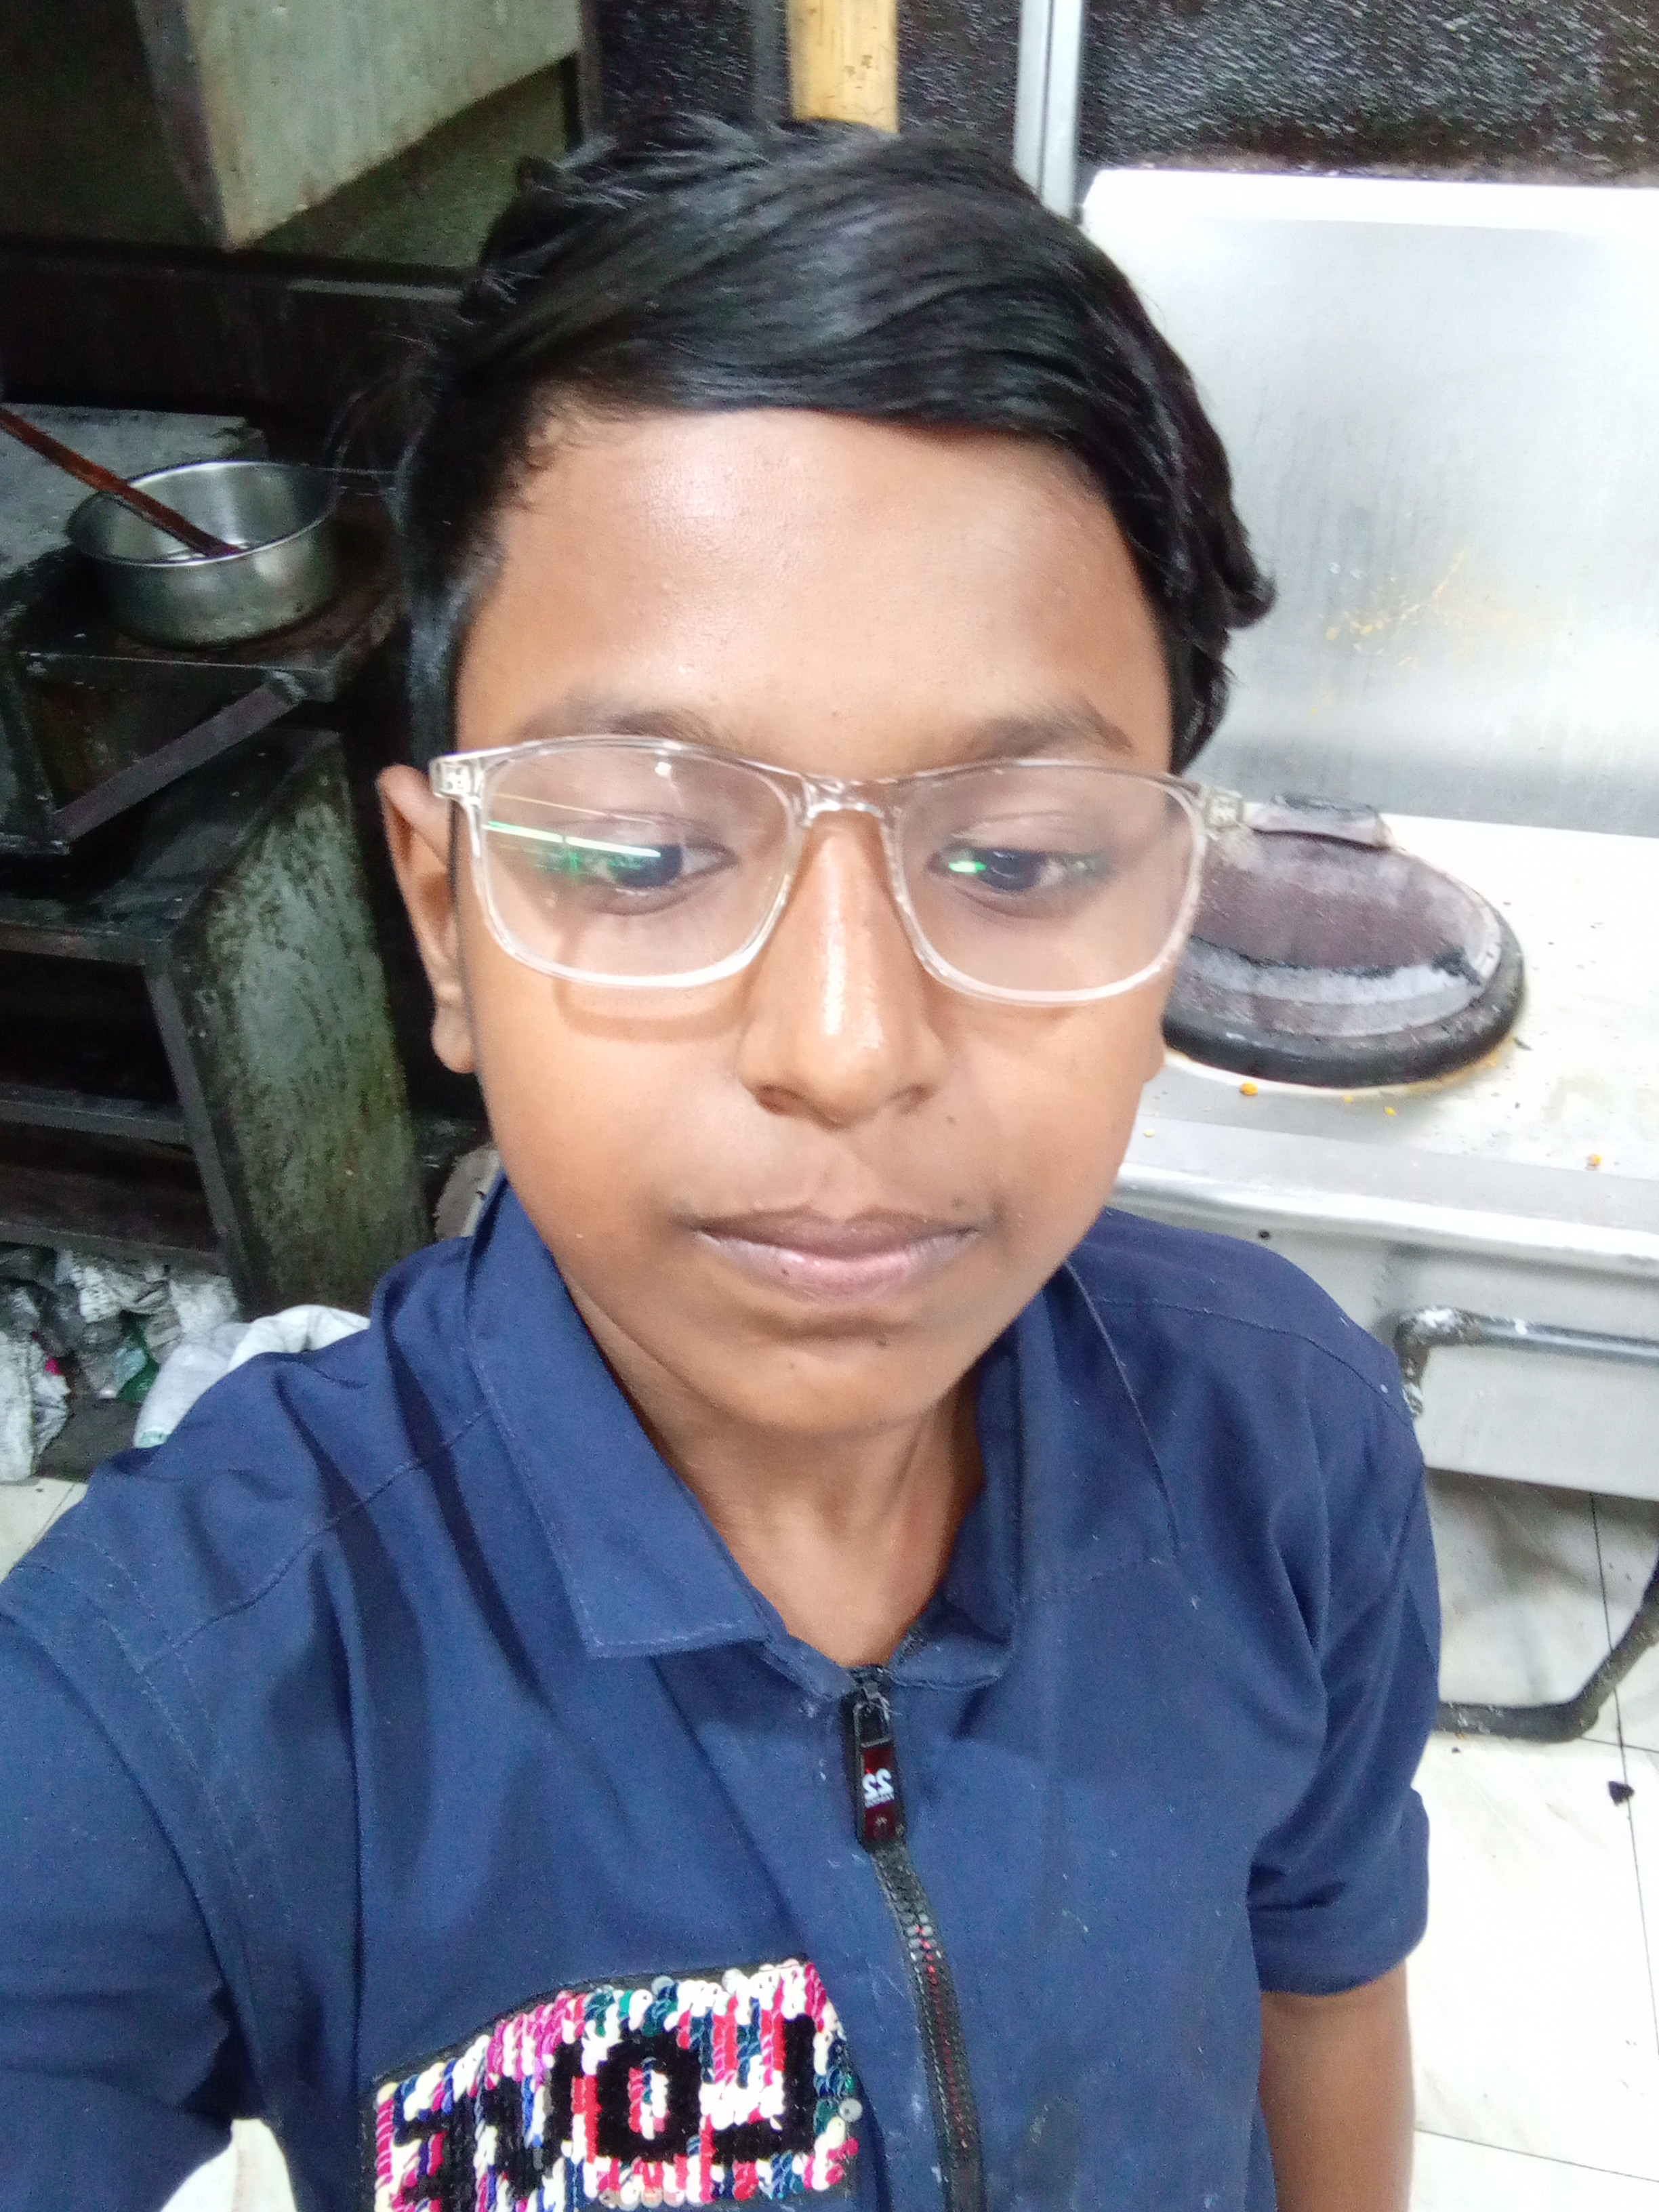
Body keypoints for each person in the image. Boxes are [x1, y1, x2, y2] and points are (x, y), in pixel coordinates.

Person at [0, 121, 1439, 2212]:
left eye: (1017, 859)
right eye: (647, 853)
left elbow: (1327, 1974)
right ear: (444, 917)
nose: (844, 1051)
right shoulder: (187, 1689)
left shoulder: (1286, 1447)